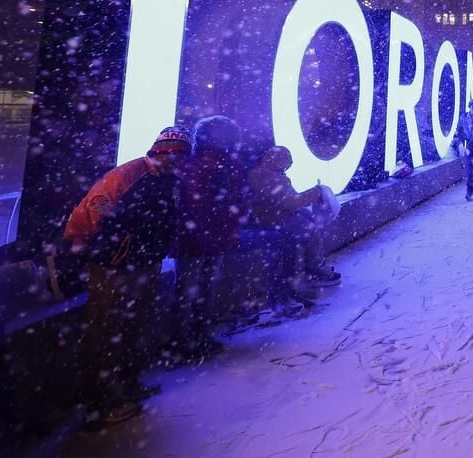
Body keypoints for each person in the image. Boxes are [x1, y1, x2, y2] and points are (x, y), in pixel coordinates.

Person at [64, 126, 190, 429]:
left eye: (180, 154)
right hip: (114, 265)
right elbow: (92, 210)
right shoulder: (129, 174)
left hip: (142, 262)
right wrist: (111, 245)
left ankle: (127, 385)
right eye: (169, 152)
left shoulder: (169, 180)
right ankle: (99, 403)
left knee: (133, 324)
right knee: (107, 329)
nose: (174, 159)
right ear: (158, 150)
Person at [171, 115, 245, 364]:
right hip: (203, 239)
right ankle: (189, 341)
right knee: (197, 291)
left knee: (191, 292)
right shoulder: (218, 165)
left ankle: (188, 342)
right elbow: (211, 203)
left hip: (199, 238)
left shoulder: (196, 164)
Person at [242, 146, 340, 319]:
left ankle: (293, 287)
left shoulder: (269, 175)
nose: (290, 162)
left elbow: (287, 201)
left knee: (302, 236)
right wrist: (315, 193)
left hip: (274, 221)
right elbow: (290, 202)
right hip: (273, 222)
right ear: (270, 157)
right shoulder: (266, 177)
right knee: (303, 236)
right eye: (286, 158)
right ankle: (309, 275)